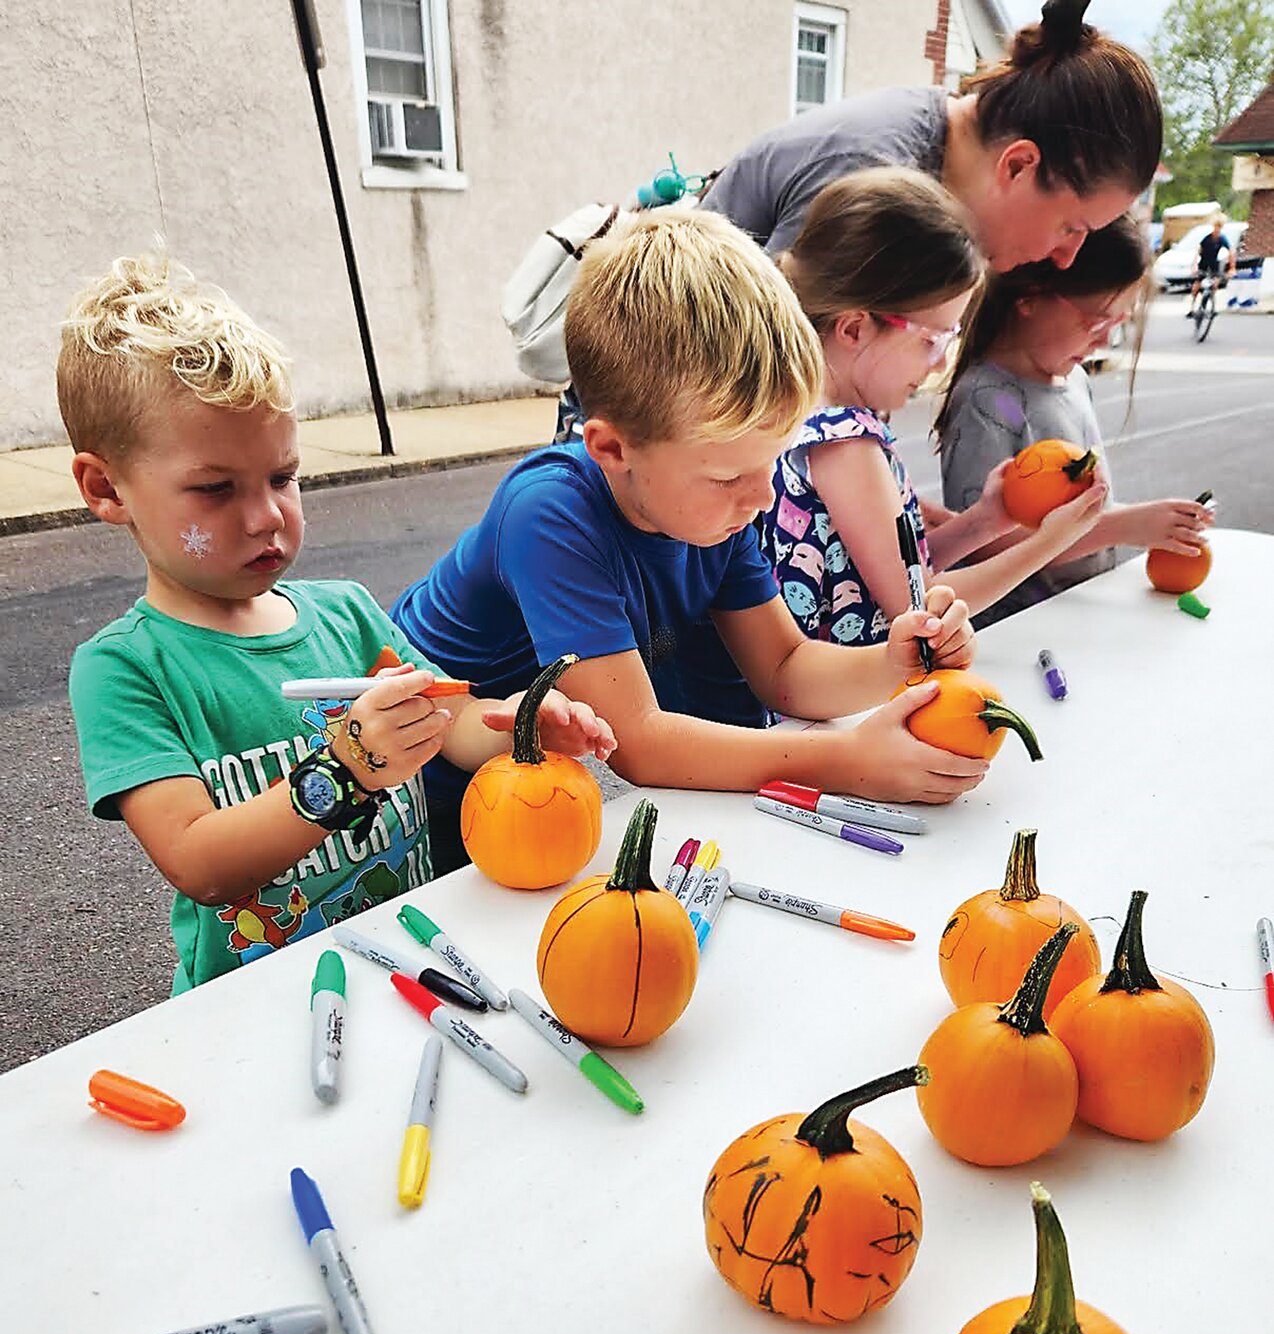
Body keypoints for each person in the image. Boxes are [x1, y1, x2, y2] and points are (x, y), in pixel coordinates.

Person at [62, 255, 615, 993]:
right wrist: (348, 767)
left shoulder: (346, 610)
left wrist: (516, 726)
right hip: (255, 1001)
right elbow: (198, 863)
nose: (266, 516)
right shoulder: (127, 668)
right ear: (106, 488)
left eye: (283, 478)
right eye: (216, 488)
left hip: (409, 959)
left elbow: (445, 727)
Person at [391, 210, 987, 873]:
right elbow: (639, 745)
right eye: (730, 474)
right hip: (433, 800)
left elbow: (786, 669)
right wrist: (847, 763)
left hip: (553, 787)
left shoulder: (712, 508)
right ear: (613, 449)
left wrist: (895, 662)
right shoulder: (548, 514)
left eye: (770, 463)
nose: (762, 498)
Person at [761, 168, 1106, 645]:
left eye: (953, 336)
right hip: (839, 711)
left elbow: (887, 570)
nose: (943, 359)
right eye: (932, 339)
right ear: (855, 328)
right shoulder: (843, 441)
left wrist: (984, 522)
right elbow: (918, 606)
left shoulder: (809, 417)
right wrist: (1048, 544)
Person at [701, 0, 1161, 273]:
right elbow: (764, 393)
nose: (1065, 258)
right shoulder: (869, 179)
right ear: (1019, 165)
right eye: (1071, 228)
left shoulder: (926, 152)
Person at [935, 215, 1214, 624]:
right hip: (1020, 629)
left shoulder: (1074, 378)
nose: (1103, 340)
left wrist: (1155, 521)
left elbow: (1079, 501)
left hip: (1078, 613)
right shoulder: (988, 402)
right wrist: (1123, 526)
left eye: (1119, 324)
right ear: (1030, 299)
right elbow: (988, 544)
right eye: (1096, 320)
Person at [1187, 215, 1232, 317]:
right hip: (1203, 263)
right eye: (1216, 227)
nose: (1217, 229)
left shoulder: (1222, 239)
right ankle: (1192, 308)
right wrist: (1193, 266)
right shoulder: (1207, 239)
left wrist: (1231, 267)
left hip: (1213, 264)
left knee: (1215, 283)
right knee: (1197, 285)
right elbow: (1198, 251)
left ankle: (1212, 307)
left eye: (1219, 227)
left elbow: (1230, 251)